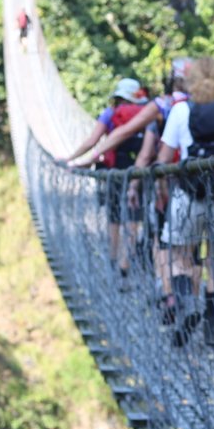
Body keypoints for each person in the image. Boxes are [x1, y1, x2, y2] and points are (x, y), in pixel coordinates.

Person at [157, 56, 214, 347]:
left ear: (190, 80)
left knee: (182, 257)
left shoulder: (181, 110)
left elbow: (162, 160)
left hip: (189, 195)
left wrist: (161, 189)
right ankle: (213, 327)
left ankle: (186, 304)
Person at [65, 77, 151, 278]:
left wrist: (72, 159)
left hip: (113, 172)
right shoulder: (148, 114)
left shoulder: (110, 113)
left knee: (114, 216)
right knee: (133, 216)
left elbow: (93, 140)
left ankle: (113, 258)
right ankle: (126, 263)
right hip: (139, 172)